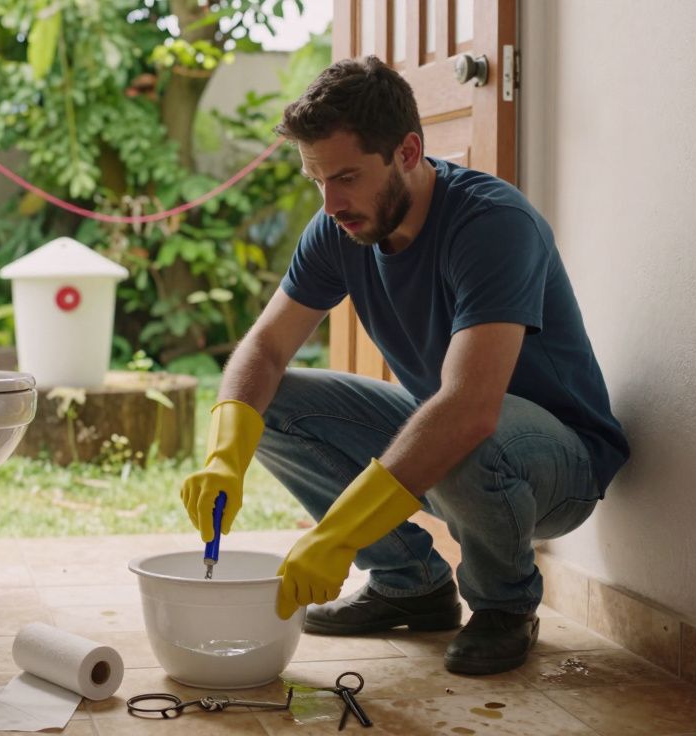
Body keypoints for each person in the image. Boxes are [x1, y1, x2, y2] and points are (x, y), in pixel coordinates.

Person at [180, 55, 629, 675]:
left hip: (558, 464)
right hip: (459, 437)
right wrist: (223, 454)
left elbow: (469, 411)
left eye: (347, 177)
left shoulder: (492, 225)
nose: (332, 202)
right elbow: (263, 348)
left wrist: (335, 534)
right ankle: (409, 584)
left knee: (462, 435)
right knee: (271, 400)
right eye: (317, 181)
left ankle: (505, 605)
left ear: (409, 151)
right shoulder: (340, 226)